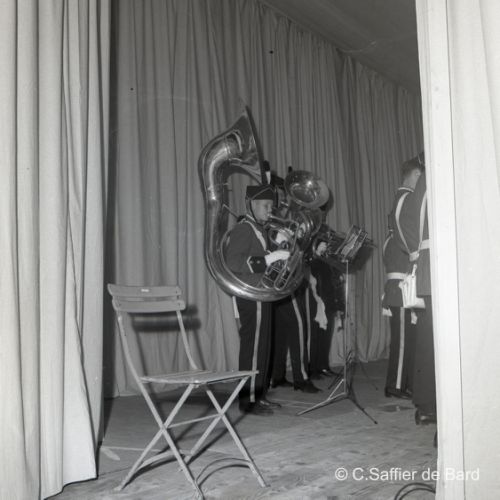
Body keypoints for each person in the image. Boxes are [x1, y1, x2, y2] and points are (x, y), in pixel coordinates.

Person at [225, 184, 289, 416]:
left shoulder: (260, 230)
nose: (270, 210)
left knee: (263, 347)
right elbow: (233, 262)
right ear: (251, 204)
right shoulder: (244, 228)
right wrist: (269, 258)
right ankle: (248, 400)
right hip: (251, 294)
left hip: (263, 292)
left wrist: (280, 244)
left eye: (271, 206)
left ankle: (258, 395)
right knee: (253, 349)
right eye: (265, 205)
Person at [394, 155, 436, 426]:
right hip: (437, 266)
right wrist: (416, 254)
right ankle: (431, 404)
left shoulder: (414, 194)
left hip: (427, 268)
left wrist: (415, 254)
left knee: (427, 339)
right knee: (433, 340)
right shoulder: (428, 183)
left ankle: (427, 405)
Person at [382, 160, 420, 399]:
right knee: (403, 341)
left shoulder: (392, 238)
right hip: (400, 290)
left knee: (406, 340)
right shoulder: (405, 201)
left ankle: (402, 383)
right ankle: (395, 386)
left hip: (399, 289)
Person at [307, 239, 345, 380]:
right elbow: (313, 283)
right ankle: (313, 369)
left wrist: (339, 304)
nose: (326, 246)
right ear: (315, 246)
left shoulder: (329, 262)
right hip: (317, 302)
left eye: (326, 244)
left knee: (326, 336)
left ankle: (323, 366)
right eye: (322, 243)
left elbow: (336, 282)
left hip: (329, 302)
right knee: (316, 336)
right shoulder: (312, 262)